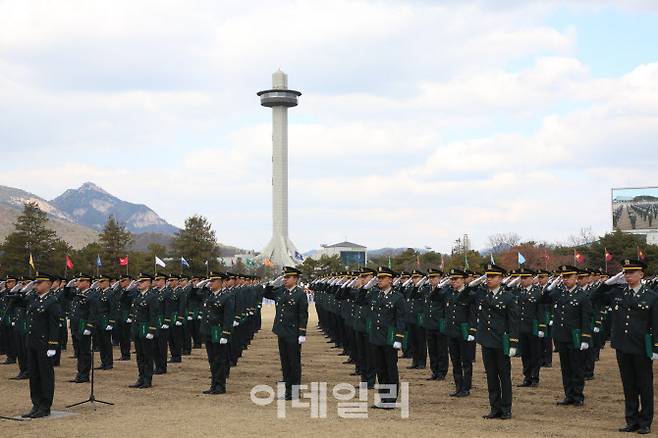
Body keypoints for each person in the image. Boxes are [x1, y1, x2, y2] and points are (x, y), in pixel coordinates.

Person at [591, 259, 658, 434]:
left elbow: (656, 323)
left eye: (631, 272)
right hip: (622, 345)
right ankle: (632, 420)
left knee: (644, 385)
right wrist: (607, 283)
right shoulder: (617, 293)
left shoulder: (651, 296)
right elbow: (594, 298)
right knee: (628, 385)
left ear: (641, 274)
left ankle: (645, 422)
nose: (628, 275)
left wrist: (656, 347)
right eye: (625, 272)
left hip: (642, 347)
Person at [458, 264, 519, 420]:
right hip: (486, 341)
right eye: (487, 276)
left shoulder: (508, 297)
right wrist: (470, 285)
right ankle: (495, 408)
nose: (489, 279)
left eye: (492, 276)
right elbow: (461, 299)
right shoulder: (482, 294)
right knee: (491, 376)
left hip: (501, 342)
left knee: (504, 376)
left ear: (501, 278)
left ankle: (506, 409)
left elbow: (513, 322)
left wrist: (513, 343)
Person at [542, 265, 593, 407]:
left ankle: (578, 395)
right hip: (561, 336)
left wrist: (585, 337)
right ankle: (568, 395)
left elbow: (586, 318)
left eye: (568, 277)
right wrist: (551, 286)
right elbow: (543, 299)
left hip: (575, 337)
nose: (565, 280)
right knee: (566, 368)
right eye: (563, 277)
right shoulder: (559, 293)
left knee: (577, 367)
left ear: (576, 278)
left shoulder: (583, 296)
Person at [263, 266, 309, 401]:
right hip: (281, 331)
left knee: (294, 363)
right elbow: (266, 294)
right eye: (284, 277)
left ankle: (294, 391)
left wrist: (302, 333)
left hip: (293, 333)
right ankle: (288, 390)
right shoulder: (281, 291)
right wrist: (271, 284)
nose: (285, 280)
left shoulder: (300, 294)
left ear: (295, 279)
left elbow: (303, 315)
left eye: (288, 277)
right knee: (284, 362)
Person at [22, 272, 61, 419]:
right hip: (32, 342)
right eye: (36, 283)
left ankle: (45, 406)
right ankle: (36, 404)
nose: (36, 285)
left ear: (48, 284)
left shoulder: (52, 302)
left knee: (45, 376)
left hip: (44, 344)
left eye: (39, 283)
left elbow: (54, 326)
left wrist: (52, 346)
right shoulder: (34, 299)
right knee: (34, 375)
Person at [368, 267, 405, 409]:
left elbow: (400, 319)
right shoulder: (375, 295)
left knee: (390, 369)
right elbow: (359, 299)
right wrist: (366, 286)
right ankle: (383, 398)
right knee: (380, 368)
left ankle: (391, 399)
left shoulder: (398, 297)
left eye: (382, 278)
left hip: (389, 338)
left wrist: (399, 338)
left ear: (390, 280)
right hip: (376, 337)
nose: (379, 280)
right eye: (378, 278)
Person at [200, 272, 235, 394]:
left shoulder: (227, 296)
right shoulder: (210, 296)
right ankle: (214, 384)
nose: (211, 283)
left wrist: (225, 334)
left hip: (219, 332)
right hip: (209, 332)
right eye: (210, 280)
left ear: (221, 282)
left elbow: (228, 317)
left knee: (220, 360)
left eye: (214, 280)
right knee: (212, 360)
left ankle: (220, 385)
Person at [129, 273, 159, 389]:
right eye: (138, 282)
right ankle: (141, 377)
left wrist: (151, 330)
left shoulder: (152, 297)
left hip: (146, 329)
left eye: (141, 282)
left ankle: (147, 379)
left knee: (147, 356)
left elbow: (153, 315)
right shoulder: (138, 296)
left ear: (148, 283)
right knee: (140, 356)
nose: (139, 284)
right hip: (138, 329)